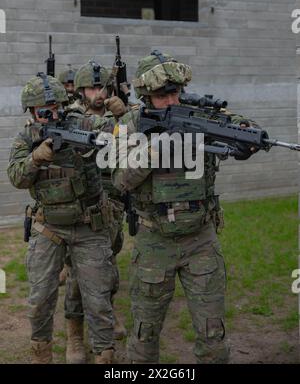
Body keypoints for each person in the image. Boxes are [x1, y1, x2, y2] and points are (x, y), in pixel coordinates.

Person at [111, 52, 258, 364]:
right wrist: (156, 149)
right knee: (144, 333)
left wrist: (248, 136)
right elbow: (120, 179)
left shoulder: (198, 114)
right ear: (145, 95)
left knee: (212, 333)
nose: (172, 101)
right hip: (153, 241)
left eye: (176, 92)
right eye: (163, 95)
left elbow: (242, 126)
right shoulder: (129, 123)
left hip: (200, 239)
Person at [7, 73, 118, 364]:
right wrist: (36, 158)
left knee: (98, 300)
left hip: (88, 226)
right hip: (48, 227)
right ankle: (41, 356)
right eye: (42, 110)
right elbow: (16, 176)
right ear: (31, 111)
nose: (50, 114)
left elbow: (108, 128)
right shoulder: (26, 137)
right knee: (40, 298)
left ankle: (104, 358)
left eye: (55, 107)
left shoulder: (79, 123)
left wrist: (115, 120)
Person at [63, 61, 128, 363]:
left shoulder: (123, 113)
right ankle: (75, 335)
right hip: (83, 209)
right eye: (91, 88)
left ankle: (105, 315)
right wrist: (124, 117)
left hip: (113, 204)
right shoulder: (74, 116)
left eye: (103, 88)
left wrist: (125, 115)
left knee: (108, 271)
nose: (98, 94)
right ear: (81, 90)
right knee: (77, 275)